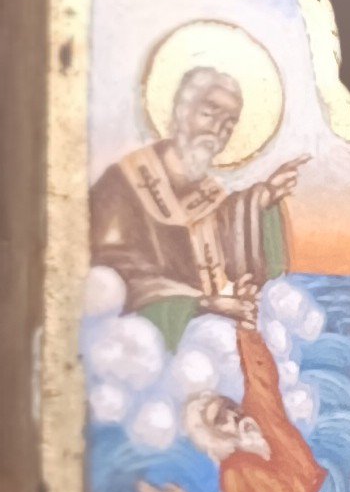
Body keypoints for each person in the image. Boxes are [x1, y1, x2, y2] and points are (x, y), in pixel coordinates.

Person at [90, 65, 308, 347]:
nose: (218, 130)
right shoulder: (123, 184)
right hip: (135, 344)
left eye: (229, 124)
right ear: (181, 112)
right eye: (209, 113)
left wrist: (265, 196)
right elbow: (112, 277)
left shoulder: (211, 195)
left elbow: (229, 240)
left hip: (206, 338)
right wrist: (202, 305)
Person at [137, 277, 326, 492]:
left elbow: (259, 376)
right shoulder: (234, 472)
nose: (233, 415)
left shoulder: (261, 416)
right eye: (220, 419)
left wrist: (246, 326)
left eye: (229, 406)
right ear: (214, 436)